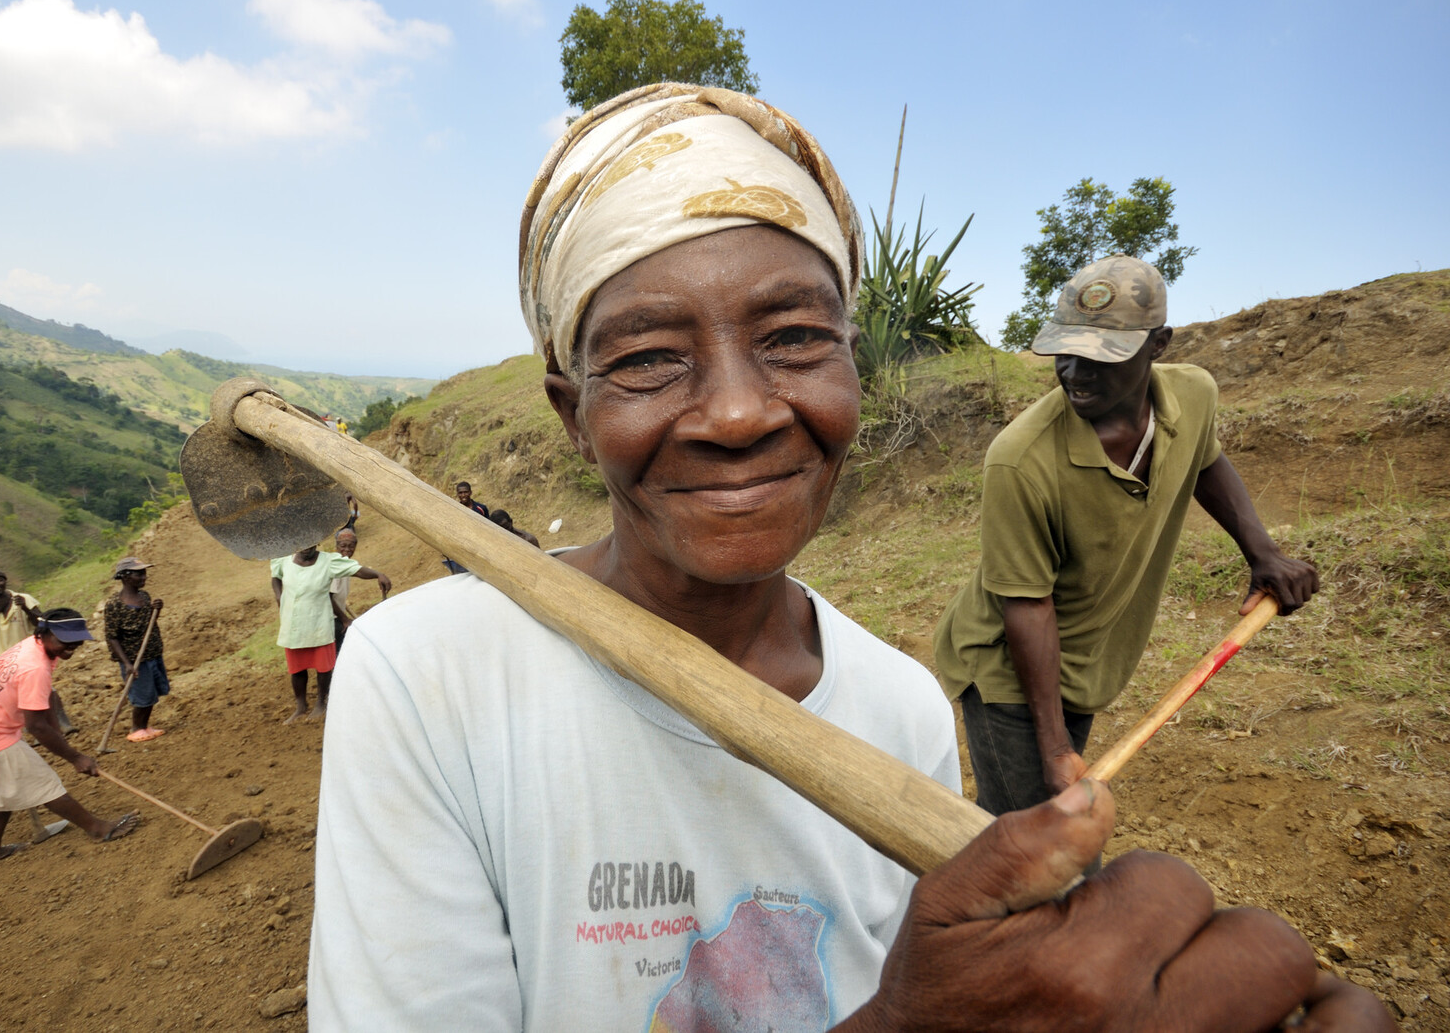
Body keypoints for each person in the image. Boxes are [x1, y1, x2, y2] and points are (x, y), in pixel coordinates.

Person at [308, 84, 1388, 1031]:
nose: (737, 411)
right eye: (645, 358)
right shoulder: (425, 677)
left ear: (854, 373)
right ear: (571, 414)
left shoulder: (900, 706)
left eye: (793, 337)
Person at [933, 255, 1321, 819]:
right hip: (1009, 672)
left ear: (1158, 344)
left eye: (1100, 357)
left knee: (1025, 824)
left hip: (1086, 661)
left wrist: (1262, 553)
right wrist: (1055, 746)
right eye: (1066, 353)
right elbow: (1026, 606)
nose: (1075, 373)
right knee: (1037, 840)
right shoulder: (1021, 460)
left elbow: (1206, 460)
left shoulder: (1193, 395)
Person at [0, 608, 139, 866]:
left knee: (7, 788)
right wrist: (75, 757)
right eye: (65, 641)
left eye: (77, 642)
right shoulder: (34, 667)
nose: (71, 648)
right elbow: (35, 727)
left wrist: (57, 734)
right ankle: (97, 829)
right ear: (45, 632)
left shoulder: (36, 646)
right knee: (43, 783)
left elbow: (45, 696)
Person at [271, 542, 387, 722]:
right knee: (297, 669)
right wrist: (278, 595)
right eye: (302, 545)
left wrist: (378, 574)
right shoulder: (284, 560)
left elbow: (356, 570)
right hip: (294, 623)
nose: (306, 548)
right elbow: (275, 576)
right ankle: (301, 707)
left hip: (318, 622)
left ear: (317, 544)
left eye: (310, 545)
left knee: (323, 668)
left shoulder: (328, 561)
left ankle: (320, 703)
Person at [0, 567, 77, 734]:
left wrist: (26, 609)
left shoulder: (24, 598)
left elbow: (42, 624)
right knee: (17, 695)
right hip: (4, 658)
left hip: (30, 653)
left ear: (5, 581)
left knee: (46, 689)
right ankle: (34, 729)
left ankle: (62, 723)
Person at [101, 557, 169, 742]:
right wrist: (126, 663)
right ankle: (136, 728)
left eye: (144, 573)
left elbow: (149, 624)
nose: (143, 577)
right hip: (135, 659)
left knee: (152, 692)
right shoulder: (115, 605)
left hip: (152, 653)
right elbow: (112, 637)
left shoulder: (144, 596)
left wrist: (157, 610)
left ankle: (145, 726)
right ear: (124, 577)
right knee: (142, 695)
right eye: (138, 573)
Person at [329, 525, 391, 658]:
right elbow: (327, 598)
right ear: (336, 546)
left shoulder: (345, 564)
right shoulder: (334, 563)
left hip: (335, 617)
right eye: (343, 546)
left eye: (351, 546)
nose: (347, 550)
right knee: (341, 656)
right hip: (330, 621)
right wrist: (345, 619)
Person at [443, 481, 493, 573]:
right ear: (457, 494)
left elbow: (489, 528)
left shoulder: (481, 509)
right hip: (463, 547)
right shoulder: (455, 510)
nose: (463, 495)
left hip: (481, 546)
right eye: (460, 493)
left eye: (465, 492)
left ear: (470, 492)